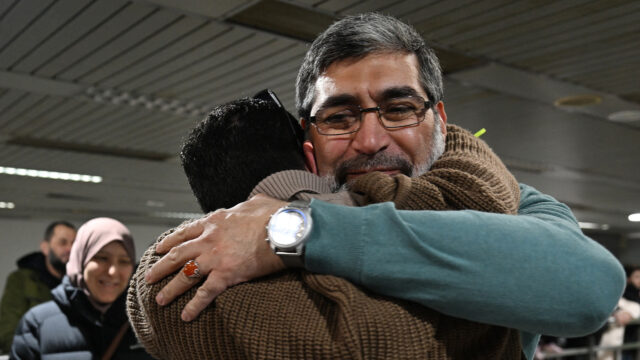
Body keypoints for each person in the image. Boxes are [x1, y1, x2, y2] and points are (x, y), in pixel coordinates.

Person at [144, 13, 625, 360]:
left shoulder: (509, 202)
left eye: (399, 109)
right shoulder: (244, 224)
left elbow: (589, 289)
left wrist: (298, 234)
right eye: (339, 117)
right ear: (308, 137)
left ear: (438, 119)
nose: (371, 140)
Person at [129, 92, 523, 358]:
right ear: (310, 157)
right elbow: (472, 196)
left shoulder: (171, 280)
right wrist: (441, 131)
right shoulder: (395, 209)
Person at [10, 217, 153, 360]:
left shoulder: (145, 324)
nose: (113, 272)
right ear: (80, 260)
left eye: (124, 261)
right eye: (102, 258)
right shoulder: (37, 323)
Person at [0, 221, 76, 353]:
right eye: (62, 243)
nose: (69, 249)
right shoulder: (22, 280)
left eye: (74, 244)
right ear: (45, 247)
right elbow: (8, 329)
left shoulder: (80, 283)